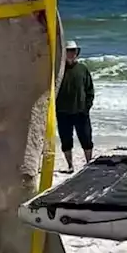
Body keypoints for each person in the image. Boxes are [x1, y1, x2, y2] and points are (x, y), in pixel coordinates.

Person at [56, 39, 95, 173]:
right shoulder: (59, 70)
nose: (71, 54)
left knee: (86, 139)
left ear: (76, 53)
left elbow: (90, 90)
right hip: (62, 112)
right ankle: (70, 166)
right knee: (66, 141)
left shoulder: (82, 69)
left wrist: (87, 106)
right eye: (68, 51)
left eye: (73, 51)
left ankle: (89, 164)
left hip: (81, 111)